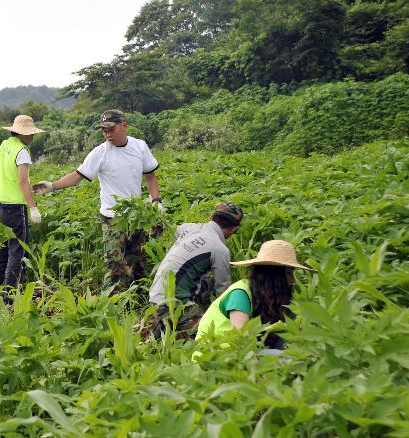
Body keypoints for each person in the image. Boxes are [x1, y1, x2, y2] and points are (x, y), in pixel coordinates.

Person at [33, 109, 163, 293]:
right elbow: (77, 176)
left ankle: (138, 302)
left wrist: (156, 200)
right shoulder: (100, 153)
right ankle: (111, 306)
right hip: (112, 218)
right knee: (115, 265)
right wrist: (52, 186)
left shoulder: (140, 147)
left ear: (124, 125)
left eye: (111, 129)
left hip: (136, 217)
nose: (108, 134)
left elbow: (150, 176)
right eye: (104, 130)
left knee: (138, 263)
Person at [148, 202, 244, 338]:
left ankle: (163, 324)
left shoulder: (187, 228)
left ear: (211, 217)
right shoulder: (219, 249)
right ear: (234, 229)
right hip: (172, 303)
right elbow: (222, 292)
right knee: (209, 336)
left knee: (207, 281)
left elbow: (177, 231)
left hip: (155, 293)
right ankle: (170, 324)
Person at [195, 240, 313, 351]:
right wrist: (260, 372)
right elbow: (243, 342)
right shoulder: (240, 294)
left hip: (240, 356)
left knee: (289, 319)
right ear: (274, 276)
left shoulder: (262, 296)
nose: (292, 280)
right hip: (218, 357)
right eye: (289, 273)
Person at [0, 114, 45, 303]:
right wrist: (33, 207)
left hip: (0, 207)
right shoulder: (21, 151)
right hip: (16, 209)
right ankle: (9, 297)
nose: (32, 137)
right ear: (22, 134)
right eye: (30, 134)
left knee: (0, 252)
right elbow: (23, 180)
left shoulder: (0, 149)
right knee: (17, 252)